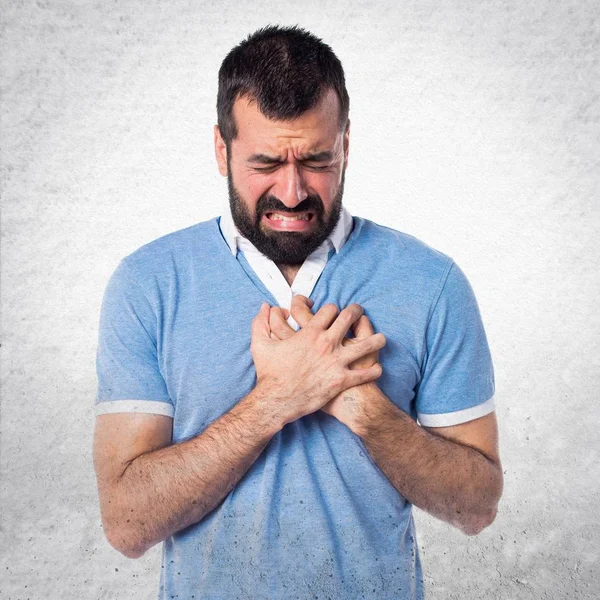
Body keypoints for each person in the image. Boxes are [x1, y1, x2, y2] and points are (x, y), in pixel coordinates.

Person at [93, 25, 503, 600]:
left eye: (315, 160)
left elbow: (477, 506)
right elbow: (127, 524)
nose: (291, 192)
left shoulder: (433, 283)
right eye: (264, 163)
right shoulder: (148, 285)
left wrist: (362, 407)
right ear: (220, 149)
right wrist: (278, 400)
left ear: (346, 145)